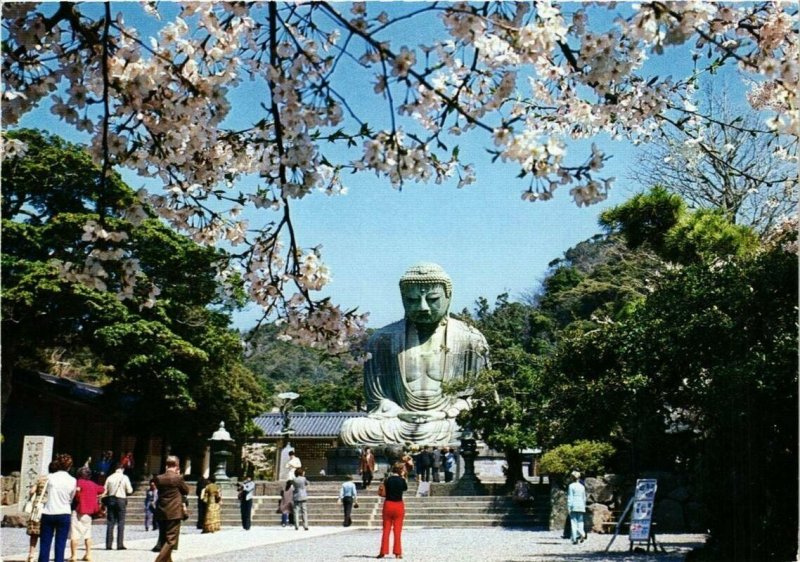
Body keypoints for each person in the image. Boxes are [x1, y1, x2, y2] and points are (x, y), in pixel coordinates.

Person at [340, 263, 489, 446]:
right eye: (412, 300)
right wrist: (400, 413)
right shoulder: (382, 340)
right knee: (352, 428)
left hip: (448, 421)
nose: (423, 307)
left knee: (481, 427)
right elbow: (377, 400)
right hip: (399, 421)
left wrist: (446, 413)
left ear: (448, 296)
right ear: (403, 299)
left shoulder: (470, 338)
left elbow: (479, 397)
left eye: (433, 299)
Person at [38, 453, 76, 562]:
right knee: (60, 543)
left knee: (45, 543)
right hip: (64, 511)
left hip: (48, 510)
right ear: (69, 466)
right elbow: (71, 497)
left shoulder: (49, 478)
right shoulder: (72, 480)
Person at [154, 455, 189, 562]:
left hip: (161, 510)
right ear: (177, 465)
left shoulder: (159, 478)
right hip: (174, 511)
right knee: (171, 540)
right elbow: (186, 490)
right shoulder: (177, 478)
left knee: (164, 538)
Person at [70, 467, 103, 562]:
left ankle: (74, 555)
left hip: (78, 510)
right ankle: (88, 554)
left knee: (75, 533)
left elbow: (76, 492)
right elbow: (102, 489)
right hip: (89, 512)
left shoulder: (78, 482)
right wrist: (98, 496)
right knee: (87, 534)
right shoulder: (93, 484)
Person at [25, 461, 54, 562]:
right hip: (48, 506)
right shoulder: (55, 480)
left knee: (34, 533)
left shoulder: (41, 479)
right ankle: (43, 554)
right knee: (46, 533)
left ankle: (31, 555)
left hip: (37, 506)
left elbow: (32, 491)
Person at [378, 462, 408, 559]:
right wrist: (403, 477)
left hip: (388, 504)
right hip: (398, 505)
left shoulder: (387, 480)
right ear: (400, 470)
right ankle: (397, 552)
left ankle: (383, 551)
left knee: (386, 529)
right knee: (397, 530)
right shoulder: (402, 480)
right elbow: (405, 488)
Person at [103, 464, 133, 550]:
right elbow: (130, 490)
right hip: (121, 500)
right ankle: (120, 544)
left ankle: (108, 545)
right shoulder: (125, 477)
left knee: (110, 522)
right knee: (121, 522)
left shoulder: (109, 477)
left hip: (111, 499)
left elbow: (105, 490)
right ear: (122, 469)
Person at [567, 471, 587, 545]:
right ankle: (582, 533)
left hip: (573, 505)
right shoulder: (582, 486)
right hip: (581, 505)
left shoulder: (571, 486)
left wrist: (569, 507)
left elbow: (570, 497)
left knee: (574, 522)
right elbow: (584, 497)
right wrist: (584, 505)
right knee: (580, 522)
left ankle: (574, 538)